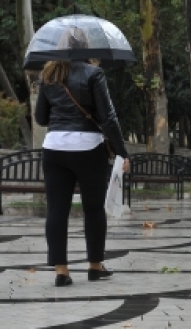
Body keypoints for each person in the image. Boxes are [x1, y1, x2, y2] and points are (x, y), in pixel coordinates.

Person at [34, 28, 130, 287]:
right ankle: (95, 266)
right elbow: (108, 117)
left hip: (54, 148)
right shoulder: (93, 73)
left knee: (56, 210)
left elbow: (41, 118)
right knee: (93, 208)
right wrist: (122, 151)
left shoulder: (48, 76)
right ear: (88, 47)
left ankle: (61, 272)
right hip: (88, 148)